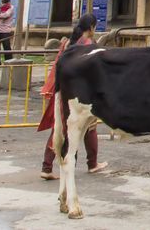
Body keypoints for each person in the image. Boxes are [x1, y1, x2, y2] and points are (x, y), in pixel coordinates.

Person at [39, 14, 108, 179]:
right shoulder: (89, 46)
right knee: (88, 127)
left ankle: (47, 166)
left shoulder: (67, 43)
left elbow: (58, 66)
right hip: (81, 93)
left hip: (63, 90)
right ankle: (90, 164)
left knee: (61, 127)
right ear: (91, 28)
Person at [0, 0, 16, 64]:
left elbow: (6, 15)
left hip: (5, 30)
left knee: (6, 47)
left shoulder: (11, 7)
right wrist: (0, 10)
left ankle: (8, 62)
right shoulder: (0, 7)